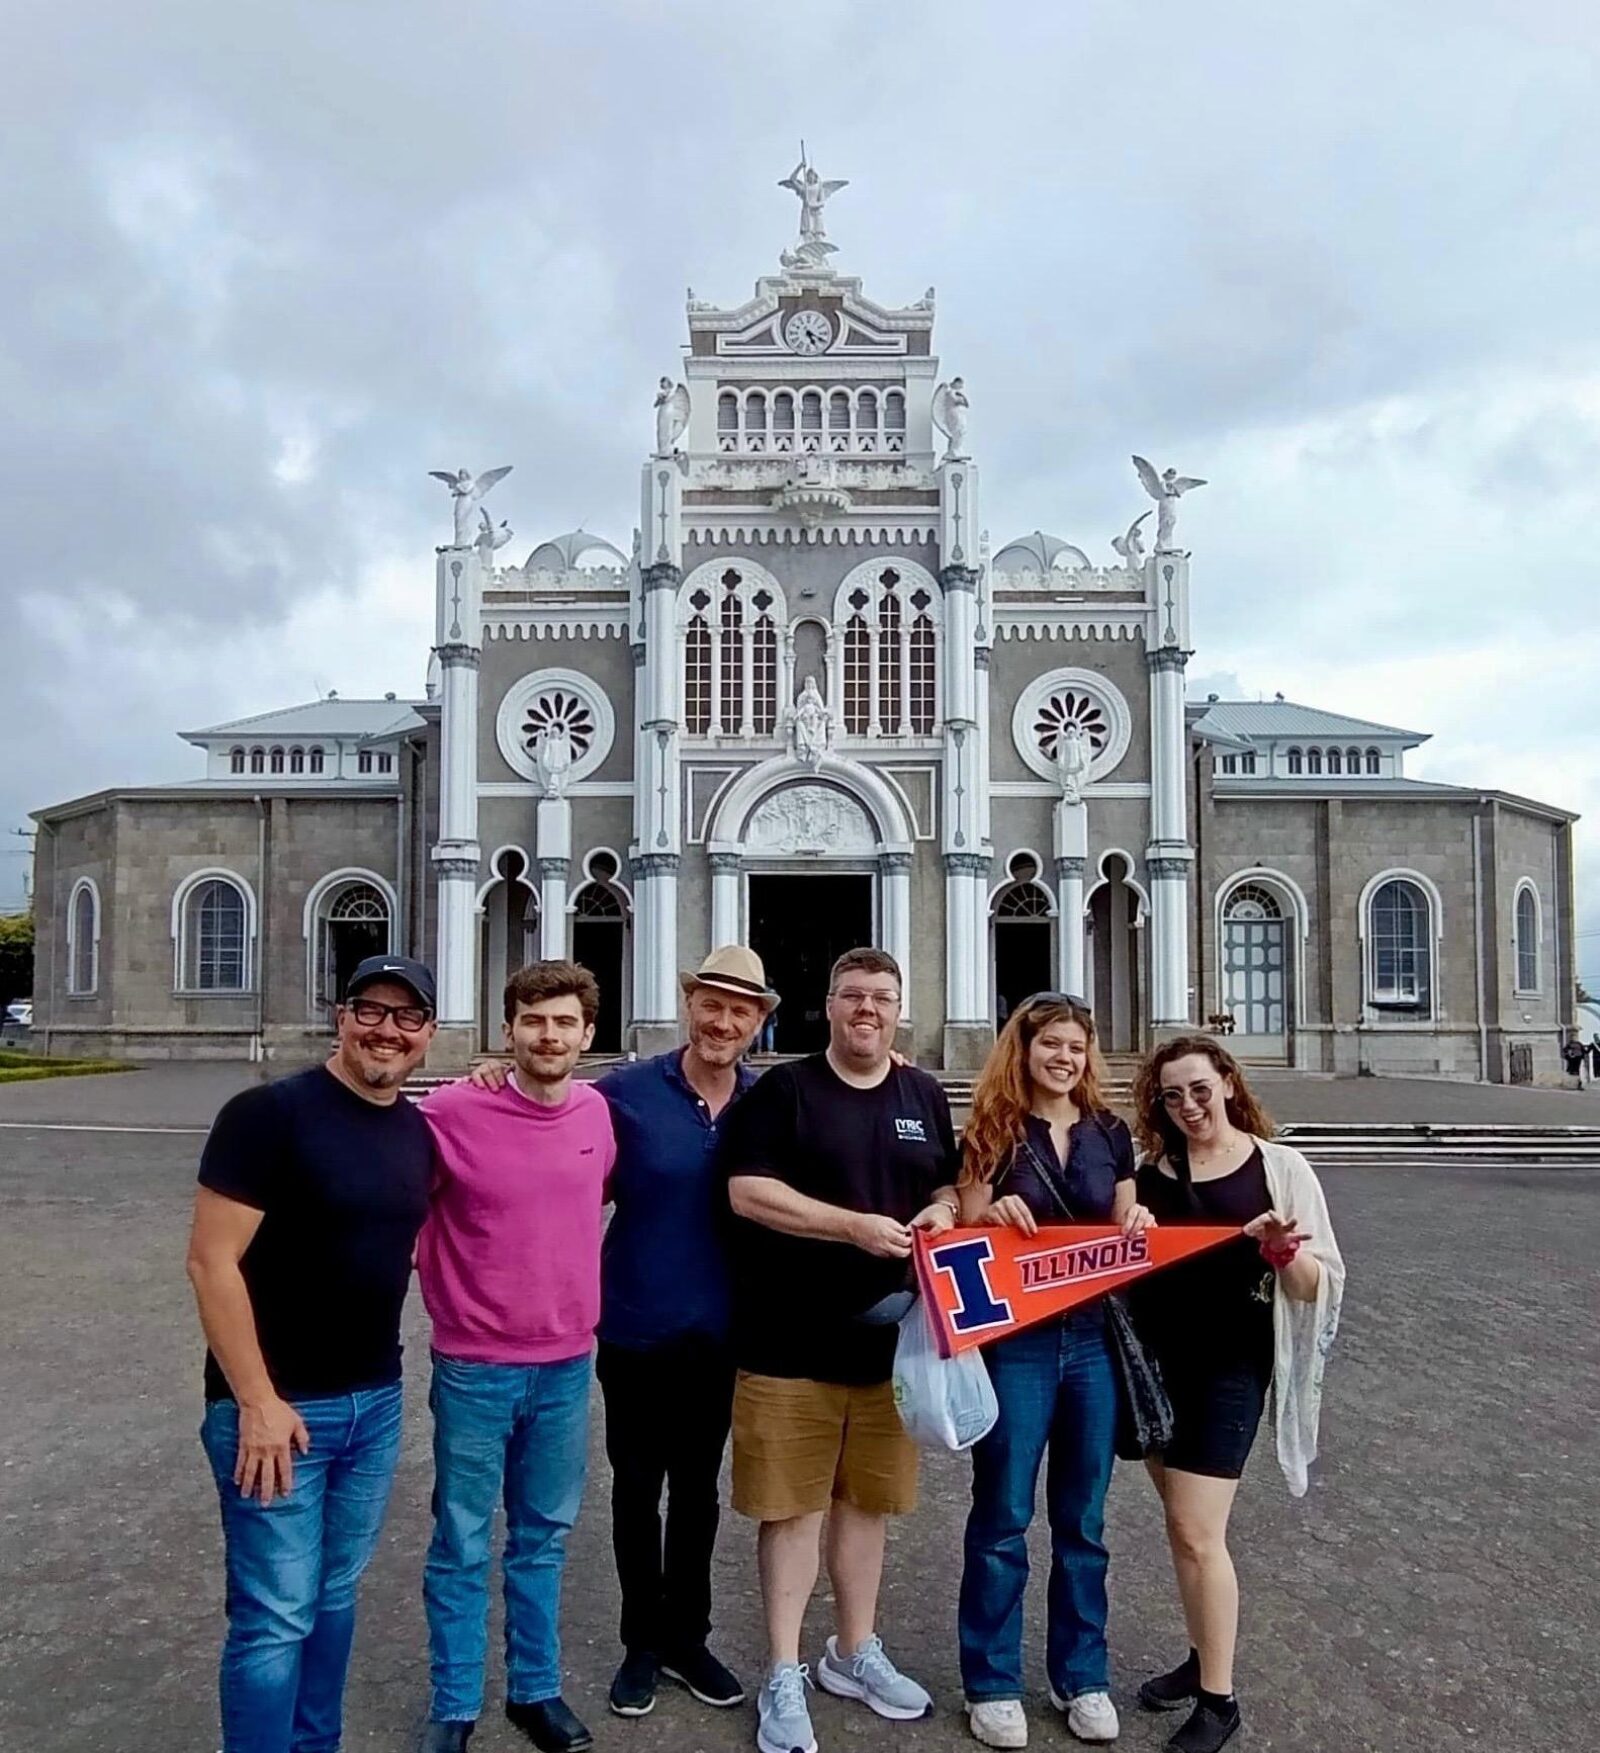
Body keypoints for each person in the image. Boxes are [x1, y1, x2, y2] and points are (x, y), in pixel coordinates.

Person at [477, 948, 777, 1717]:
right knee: (639, 1489)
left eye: (740, 1009)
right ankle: (643, 1640)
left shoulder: (768, 1101)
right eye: (711, 1003)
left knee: (700, 1492)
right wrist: (490, 1082)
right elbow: (548, 1132)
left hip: (721, 1327)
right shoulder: (625, 1095)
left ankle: (688, 1636)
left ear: (758, 1022)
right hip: (637, 1322)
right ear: (689, 1005)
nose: (722, 1020)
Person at [185, 955, 439, 1753]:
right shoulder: (268, 1114)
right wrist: (256, 1399)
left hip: (373, 1402)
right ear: (341, 1015)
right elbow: (210, 1261)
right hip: (278, 1410)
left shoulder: (416, 1128)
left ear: (428, 1034)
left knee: (332, 1598)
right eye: (371, 1009)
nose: (386, 1029)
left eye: (406, 1017)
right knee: (274, 1616)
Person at [720, 947, 960, 1753]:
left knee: (867, 1505)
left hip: (890, 1348)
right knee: (793, 1508)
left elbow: (949, 1183)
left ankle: (853, 1650)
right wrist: (849, 1224)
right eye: (852, 995)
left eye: (883, 997)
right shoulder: (784, 1091)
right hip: (789, 1342)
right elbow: (747, 1191)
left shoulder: (923, 1092)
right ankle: (784, 1669)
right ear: (827, 1005)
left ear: (901, 1009)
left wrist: (943, 1210)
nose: (868, 1009)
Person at [415, 961, 617, 1753]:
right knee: (462, 1539)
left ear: (587, 1034)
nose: (548, 1035)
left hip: (567, 1361)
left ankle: (535, 1689)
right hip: (474, 1362)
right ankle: (455, 1702)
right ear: (509, 1028)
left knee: (544, 1535)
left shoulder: (597, 1112)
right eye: (533, 1021)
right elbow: (402, 1198)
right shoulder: (451, 1111)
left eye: (564, 1022)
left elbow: (591, 1193)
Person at [1128, 1037, 1345, 1753]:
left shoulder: (1278, 1168)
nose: (1188, 1105)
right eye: (1171, 1095)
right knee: (1183, 1528)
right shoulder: (1149, 1174)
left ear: (1227, 1081)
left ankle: (1219, 1700)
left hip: (1230, 1368)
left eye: (1199, 1088)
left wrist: (1282, 1251)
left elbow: (1318, 1283)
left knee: (1197, 1531)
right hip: (1156, 1369)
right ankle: (1202, 1655)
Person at [955, 994, 1152, 1749]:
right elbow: (967, 1223)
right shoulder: (993, 1129)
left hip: (1094, 1339)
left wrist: (1138, 1222)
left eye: (1076, 1045)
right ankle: (993, 1679)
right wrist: (993, 1210)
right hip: (1020, 1343)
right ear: (1024, 1048)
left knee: (1084, 1520)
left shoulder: (1110, 1131)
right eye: (1050, 1044)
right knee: (1003, 1514)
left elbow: (1127, 1219)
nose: (1064, 1057)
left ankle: (1082, 1673)